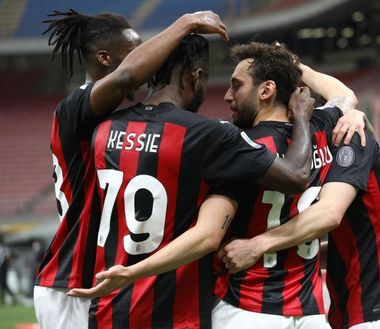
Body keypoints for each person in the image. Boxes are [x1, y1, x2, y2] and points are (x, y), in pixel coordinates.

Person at [68, 41, 365, 328]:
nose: (226, 96)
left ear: (266, 90)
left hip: (246, 307)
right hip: (310, 311)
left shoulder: (239, 145)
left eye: (236, 85)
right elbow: (343, 95)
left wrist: (132, 272)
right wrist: (295, 69)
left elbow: (208, 234)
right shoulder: (322, 128)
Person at [35, 9, 230, 329]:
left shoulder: (114, 119)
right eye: (136, 54)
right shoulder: (75, 107)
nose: (148, 62)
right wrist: (185, 23)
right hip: (71, 282)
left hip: (97, 279)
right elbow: (128, 76)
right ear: (105, 59)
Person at [219, 71, 380, 329]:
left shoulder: (349, 139)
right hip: (364, 307)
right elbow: (346, 97)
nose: (227, 96)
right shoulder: (333, 137)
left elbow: (329, 213)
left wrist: (257, 245)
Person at [0, 235, 16, 305]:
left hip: (3, 268)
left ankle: (12, 296)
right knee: (2, 283)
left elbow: (8, 257)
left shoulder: (5, 248)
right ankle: (3, 298)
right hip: (2, 268)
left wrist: (8, 264)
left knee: (4, 283)